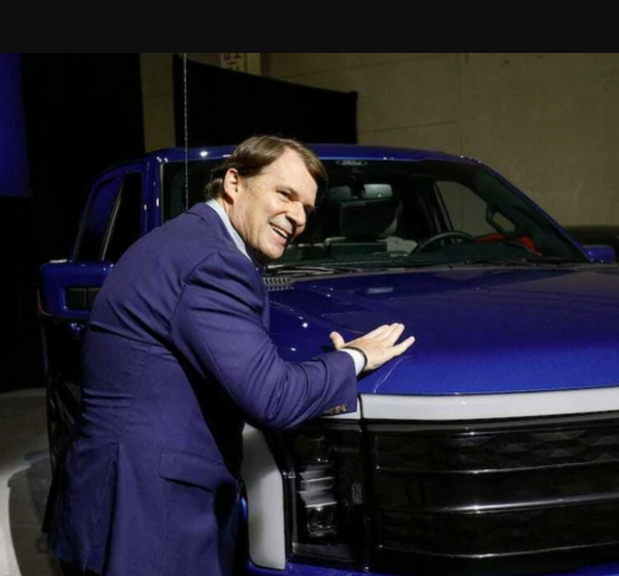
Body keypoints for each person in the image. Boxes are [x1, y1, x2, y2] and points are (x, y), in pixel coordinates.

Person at [46, 135, 415, 576]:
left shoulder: (189, 240)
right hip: (151, 511)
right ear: (235, 183)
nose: (297, 218)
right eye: (285, 194)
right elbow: (271, 397)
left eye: (307, 209)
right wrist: (354, 357)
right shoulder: (211, 262)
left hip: (130, 487)